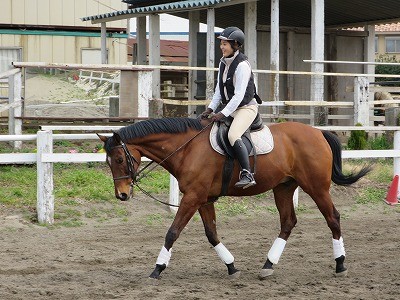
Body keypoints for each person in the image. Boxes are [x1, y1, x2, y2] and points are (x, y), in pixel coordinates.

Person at [201, 26, 259, 189]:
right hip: (231, 108)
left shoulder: (242, 65)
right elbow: (219, 89)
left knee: (233, 134)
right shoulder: (223, 63)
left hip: (246, 108)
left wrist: (222, 113)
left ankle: (247, 173)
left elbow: (239, 95)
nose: (222, 47)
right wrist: (210, 109)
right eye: (221, 44)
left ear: (235, 44)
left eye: (225, 44)